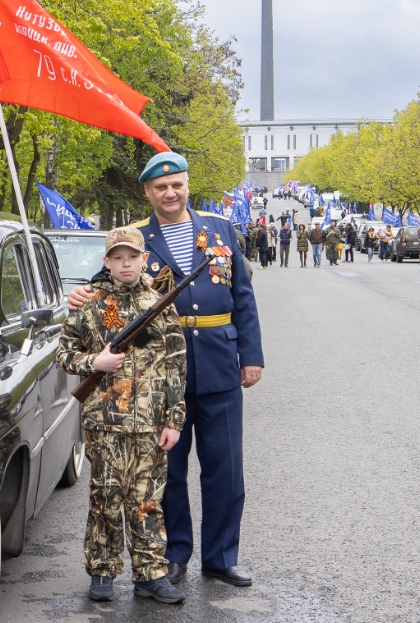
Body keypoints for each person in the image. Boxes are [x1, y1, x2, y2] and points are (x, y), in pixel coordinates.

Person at [66, 151, 264, 590]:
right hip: (157, 379)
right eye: (161, 187)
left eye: (176, 184)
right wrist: (81, 293)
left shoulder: (220, 229)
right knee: (167, 471)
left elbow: (243, 297)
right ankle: (172, 557)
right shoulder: (134, 236)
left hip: (219, 363)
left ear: (187, 185)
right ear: (148, 193)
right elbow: (107, 284)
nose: (170, 192)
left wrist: (251, 356)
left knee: (226, 469)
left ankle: (220, 557)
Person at [56, 226, 188, 604]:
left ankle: (151, 575)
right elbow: (64, 354)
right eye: (118, 258)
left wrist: (174, 420)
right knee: (105, 497)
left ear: (144, 259)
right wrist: (93, 361)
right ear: (107, 262)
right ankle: (102, 571)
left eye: (133, 257)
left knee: (147, 500)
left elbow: (176, 367)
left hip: (150, 422)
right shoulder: (90, 304)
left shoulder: (160, 303)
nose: (126, 264)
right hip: (104, 423)